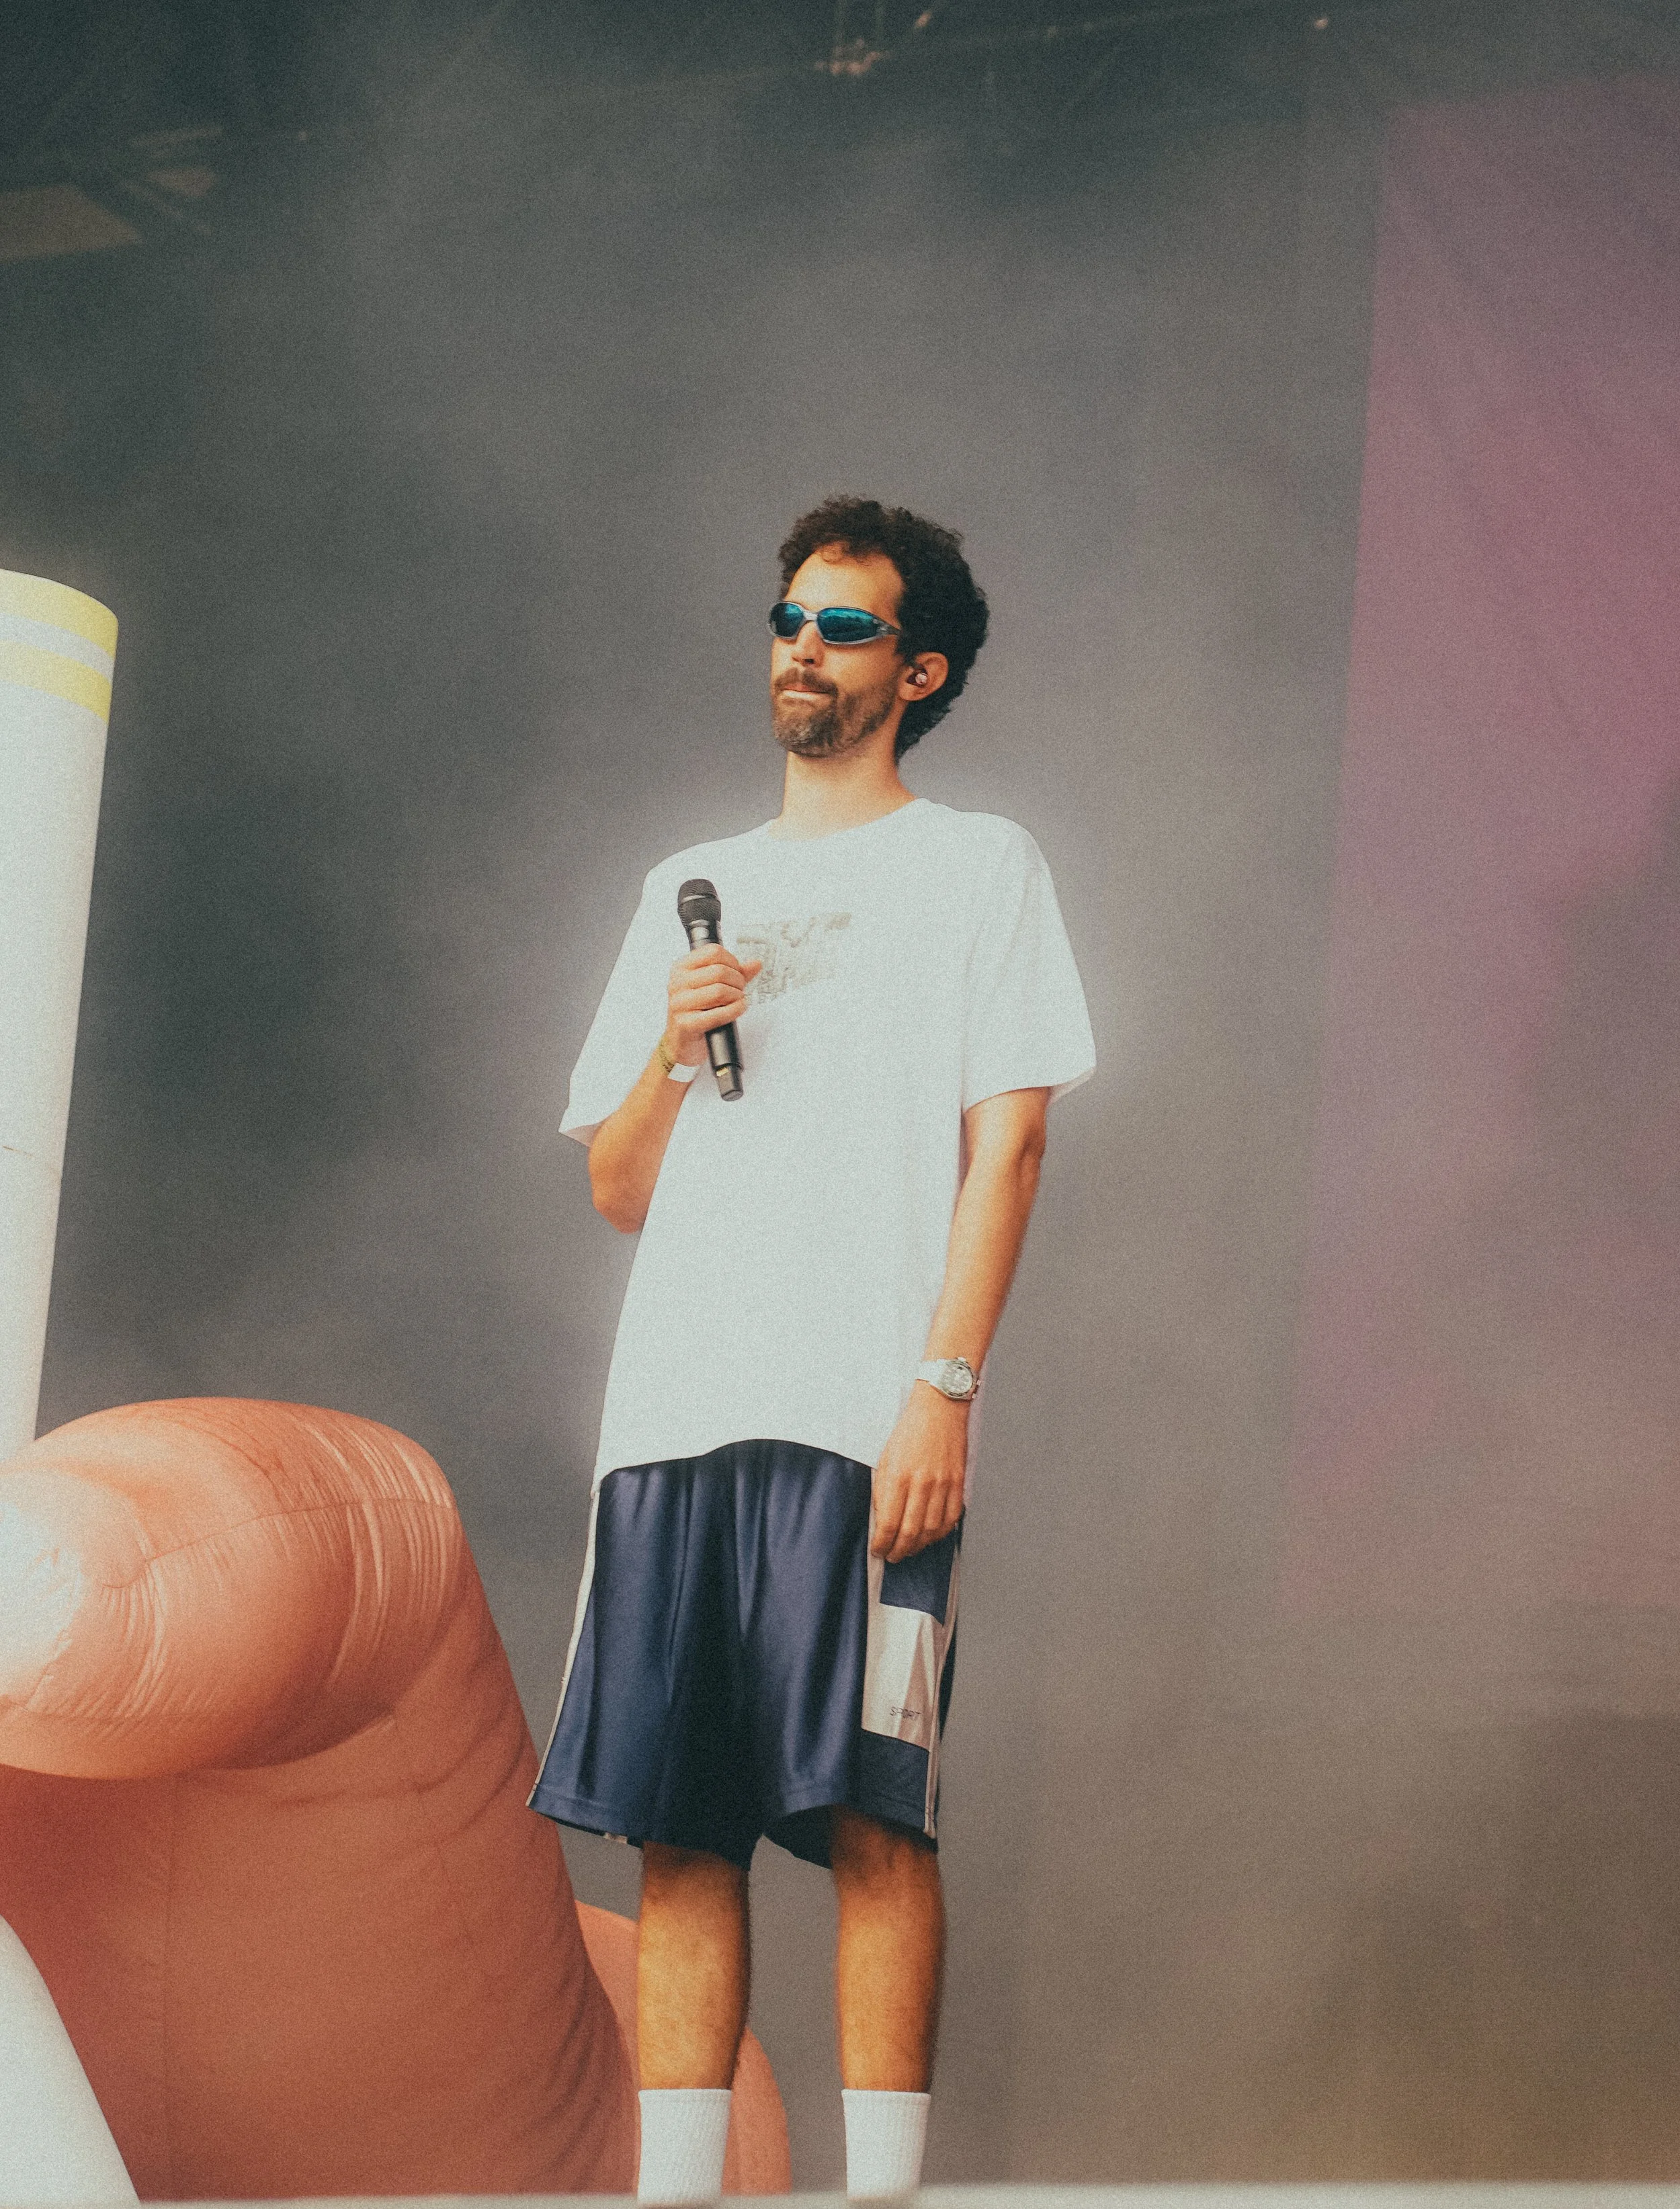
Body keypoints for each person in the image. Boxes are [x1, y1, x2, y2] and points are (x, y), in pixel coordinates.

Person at [530, 495, 1094, 2202]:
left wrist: (940, 1385)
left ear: (913, 670)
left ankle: (881, 2195)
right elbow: (621, 1186)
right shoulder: (682, 893)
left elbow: (1011, 1146)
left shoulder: (975, 862)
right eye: (786, 616)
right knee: (681, 1829)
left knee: (873, 1810)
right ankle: (676, 2190)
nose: (799, 646)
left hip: (866, 1416)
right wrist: (668, 1049)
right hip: (678, 1416)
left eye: (841, 625)